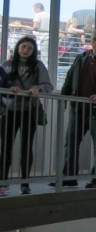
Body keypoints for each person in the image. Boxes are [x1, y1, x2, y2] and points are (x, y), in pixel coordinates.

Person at [53, 30, 96, 189]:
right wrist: (64, 98)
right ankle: (69, 177)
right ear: (91, 41)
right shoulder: (81, 58)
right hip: (78, 110)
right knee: (71, 143)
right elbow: (69, 79)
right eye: (94, 39)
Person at [1, 37, 53, 195]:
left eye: (30, 48)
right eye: (23, 46)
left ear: (33, 51)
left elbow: (48, 86)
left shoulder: (38, 66)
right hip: (8, 111)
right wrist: (10, 89)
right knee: (5, 148)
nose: (25, 50)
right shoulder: (7, 65)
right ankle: (3, 182)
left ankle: (24, 183)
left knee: (26, 147)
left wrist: (37, 88)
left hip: (29, 111)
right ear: (18, 47)